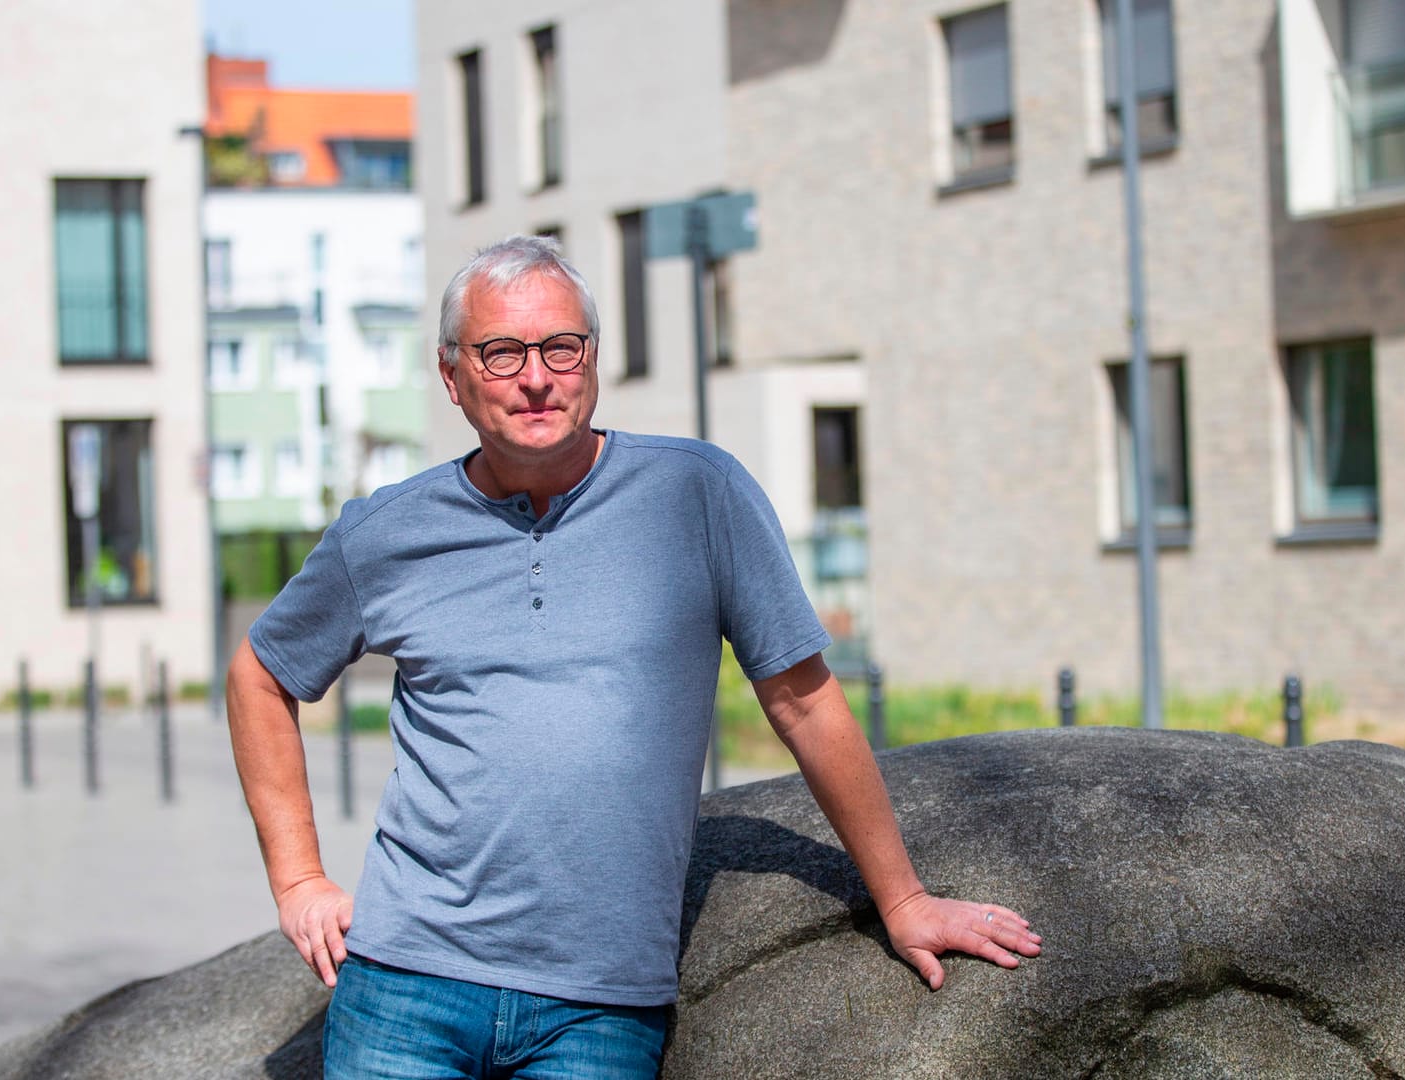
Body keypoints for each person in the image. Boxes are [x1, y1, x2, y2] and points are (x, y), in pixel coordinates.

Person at [227, 235, 1040, 1078]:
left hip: (600, 1008)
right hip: (408, 982)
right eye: (501, 353)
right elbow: (259, 674)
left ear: (593, 360)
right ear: (452, 375)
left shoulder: (698, 493)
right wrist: (299, 881)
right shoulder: (387, 531)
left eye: (560, 347)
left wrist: (902, 900)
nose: (536, 376)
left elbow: (803, 703)